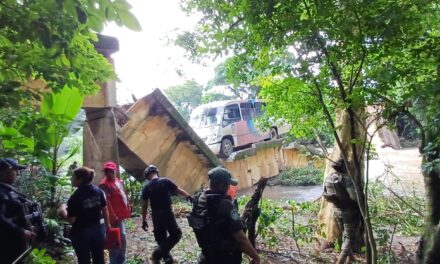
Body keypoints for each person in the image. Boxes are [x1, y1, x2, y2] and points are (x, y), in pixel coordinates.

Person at [188, 166, 260, 264]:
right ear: (222, 185)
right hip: (225, 258)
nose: (229, 187)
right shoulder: (225, 205)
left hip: (206, 256)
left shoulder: (199, 200)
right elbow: (241, 239)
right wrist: (256, 257)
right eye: (228, 184)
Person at [141, 164, 193, 264]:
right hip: (167, 213)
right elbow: (178, 190)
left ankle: (168, 259)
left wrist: (144, 220)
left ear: (147, 176)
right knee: (176, 234)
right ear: (157, 173)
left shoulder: (146, 187)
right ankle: (156, 255)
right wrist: (189, 196)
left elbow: (144, 205)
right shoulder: (165, 181)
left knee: (161, 238)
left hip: (156, 215)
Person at [58, 167, 110, 264]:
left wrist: (62, 209)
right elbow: (105, 209)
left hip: (81, 234)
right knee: (99, 259)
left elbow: (71, 220)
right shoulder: (98, 191)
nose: (71, 179)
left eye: (73, 177)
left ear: (80, 179)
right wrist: (107, 227)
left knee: (84, 260)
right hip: (98, 232)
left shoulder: (76, 197)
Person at [0, 158, 45, 264]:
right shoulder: (1, 193)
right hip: (7, 244)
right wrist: (20, 231)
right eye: (15, 170)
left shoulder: (8, 190)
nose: (17, 174)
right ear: (5, 171)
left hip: (16, 243)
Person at [323, 158, 363, 264]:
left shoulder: (329, 178)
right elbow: (354, 197)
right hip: (349, 212)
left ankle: (350, 259)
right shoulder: (346, 179)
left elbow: (326, 193)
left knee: (345, 235)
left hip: (336, 210)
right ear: (345, 167)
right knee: (349, 238)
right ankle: (341, 260)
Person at [99, 161, 131, 264]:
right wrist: (113, 217)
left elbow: (122, 194)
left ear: (115, 171)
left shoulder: (117, 180)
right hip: (114, 218)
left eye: (111, 171)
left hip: (120, 215)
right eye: (107, 171)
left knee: (122, 238)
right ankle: (115, 262)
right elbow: (106, 204)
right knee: (115, 240)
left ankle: (121, 260)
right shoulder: (104, 185)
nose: (109, 173)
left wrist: (128, 206)